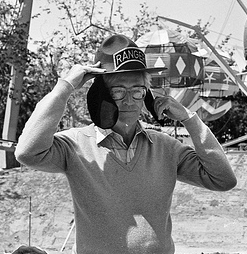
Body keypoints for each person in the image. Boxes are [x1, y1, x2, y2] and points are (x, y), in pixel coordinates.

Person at [14, 34, 237, 254]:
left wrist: (190, 118)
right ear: (102, 95)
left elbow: (223, 180)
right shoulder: (75, 145)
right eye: (119, 91)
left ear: (147, 95)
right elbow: (27, 152)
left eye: (138, 90)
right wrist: (65, 87)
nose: (130, 100)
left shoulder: (166, 147)